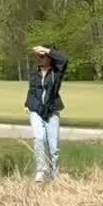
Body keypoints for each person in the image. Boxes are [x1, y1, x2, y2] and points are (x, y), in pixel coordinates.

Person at [25, 45, 68, 182]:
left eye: (43, 57)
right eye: (40, 56)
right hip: (36, 110)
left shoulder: (56, 73)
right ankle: (41, 171)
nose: (41, 59)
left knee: (53, 146)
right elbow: (32, 90)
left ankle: (55, 175)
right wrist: (28, 104)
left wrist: (47, 49)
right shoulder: (34, 72)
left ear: (50, 58)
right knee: (39, 138)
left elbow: (63, 59)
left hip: (51, 111)